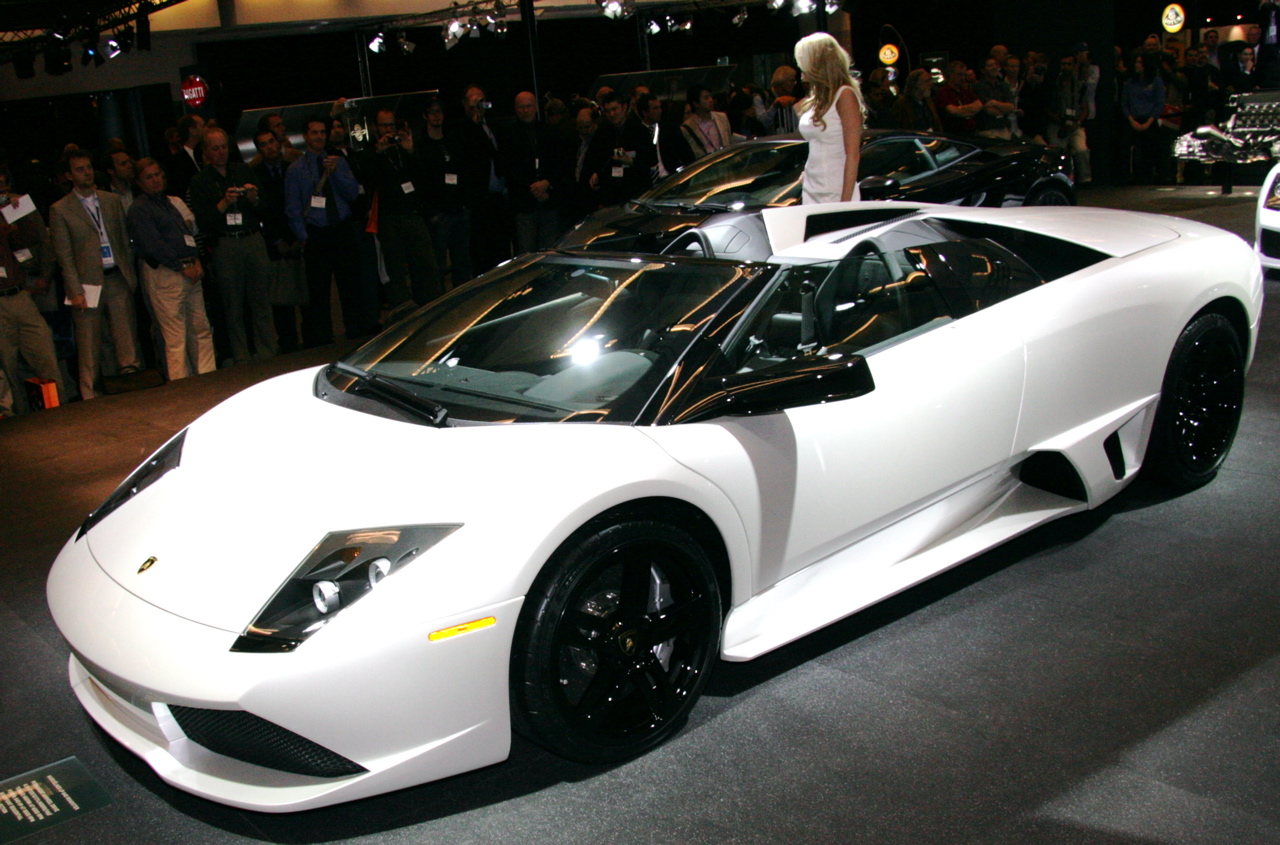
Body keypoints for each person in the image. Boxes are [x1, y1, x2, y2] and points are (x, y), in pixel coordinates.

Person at [49, 149, 141, 401]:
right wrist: (74, 291)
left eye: (88, 167)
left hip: (117, 276)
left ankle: (132, 391)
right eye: (79, 169)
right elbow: (64, 256)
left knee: (126, 341)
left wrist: (130, 275)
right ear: (69, 175)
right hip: (86, 284)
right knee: (89, 346)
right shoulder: (60, 209)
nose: (87, 173)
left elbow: (124, 241)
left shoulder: (111, 200)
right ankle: (89, 395)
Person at [188, 126, 275, 364]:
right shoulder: (200, 181)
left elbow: (265, 207)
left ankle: (267, 352)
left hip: (252, 238)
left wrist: (254, 198)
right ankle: (241, 356)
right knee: (232, 304)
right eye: (215, 148)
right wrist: (224, 202)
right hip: (225, 243)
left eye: (224, 147)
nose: (221, 152)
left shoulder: (243, 170)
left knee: (261, 300)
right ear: (206, 152)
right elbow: (203, 222)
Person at [285, 115, 371, 346]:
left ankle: (356, 331)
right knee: (319, 291)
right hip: (316, 234)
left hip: (341, 230)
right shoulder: (296, 169)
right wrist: (304, 238)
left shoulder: (338, 162)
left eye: (323, 132)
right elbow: (293, 208)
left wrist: (336, 173)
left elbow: (352, 193)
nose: (319, 137)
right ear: (305, 136)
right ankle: (322, 339)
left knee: (350, 285)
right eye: (314, 132)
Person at [126, 158, 216, 380]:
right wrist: (181, 265)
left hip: (189, 269)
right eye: (149, 177)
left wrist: (196, 260)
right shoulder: (139, 209)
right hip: (166, 273)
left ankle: (208, 378)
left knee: (201, 329)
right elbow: (153, 246)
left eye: (158, 174)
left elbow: (187, 235)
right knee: (176, 337)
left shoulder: (169, 202)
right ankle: (181, 386)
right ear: (139, 182)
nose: (156, 180)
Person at [363, 107, 442, 306]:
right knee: (395, 271)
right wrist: (378, 151)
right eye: (384, 125)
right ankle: (403, 311)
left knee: (426, 265)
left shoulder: (403, 147)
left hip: (412, 214)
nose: (389, 129)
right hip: (388, 219)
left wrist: (411, 151)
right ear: (375, 128)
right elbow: (367, 179)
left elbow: (422, 178)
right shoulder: (371, 152)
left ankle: (430, 307)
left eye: (392, 125)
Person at [0, 171, 64, 414]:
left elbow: (30, 240)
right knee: (8, 367)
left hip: (20, 295)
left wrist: (18, 212)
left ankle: (60, 410)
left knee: (45, 355)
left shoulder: (8, 209)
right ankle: (18, 419)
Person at [250, 129, 306, 352]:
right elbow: (263, 212)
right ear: (259, 150)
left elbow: (301, 202)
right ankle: (288, 341)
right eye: (264, 144)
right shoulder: (254, 174)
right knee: (280, 294)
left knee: (304, 287)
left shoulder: (291, 167)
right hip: (273, 238)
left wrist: (300, 236)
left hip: (297, 233)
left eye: (272, 142)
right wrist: (277, 240)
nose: (270, 147)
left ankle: (312, 336)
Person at [794, 32, 865, 204]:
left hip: (836, 188)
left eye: (803, 60)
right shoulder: (816, 99)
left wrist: (845, 203)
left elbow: (853, 155)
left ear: (818, 63)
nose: (800, 66)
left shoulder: (844, 95)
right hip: (812, 186)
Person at [419, 97, 473, 288]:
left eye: (439, 111)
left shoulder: (452, 140)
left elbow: (464, 171)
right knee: (439, 265)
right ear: (425, 116)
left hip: (459, 210)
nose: (436, 116)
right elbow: (422, 182)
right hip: (438, 214)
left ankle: (463, 299)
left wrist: (465, 203)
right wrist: (432, 214)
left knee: (462, 263)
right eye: (432, 112)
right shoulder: (421, 145)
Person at [503, 92, 566, 254]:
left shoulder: (550, 131)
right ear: (516, 109)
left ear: (536, 107)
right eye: (521, 107)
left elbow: (559, 162)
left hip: (549, 199)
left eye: (529, 106)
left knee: (549, 251)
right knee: (526, 251)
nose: (526, 110)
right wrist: (535, 189)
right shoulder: (509, 134)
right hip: (524, 202)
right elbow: (510, 169)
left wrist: (547, 183)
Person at [681, 86, 734, 159]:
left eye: (710, 97)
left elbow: (729, 140)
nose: (710, 100)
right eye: (706, 98)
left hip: (725, 159)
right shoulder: (687, 127)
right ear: (696, 103)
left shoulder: (722, 117)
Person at [893, 68, 943, 133]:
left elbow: (936, 124)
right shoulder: (901, 104)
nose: (931, 83)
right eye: (926, 81)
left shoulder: (928, 101)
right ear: (916, 84)